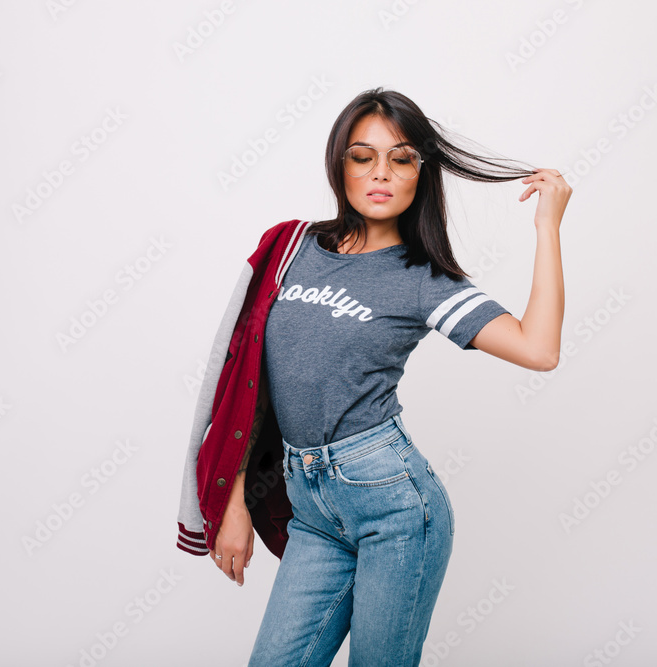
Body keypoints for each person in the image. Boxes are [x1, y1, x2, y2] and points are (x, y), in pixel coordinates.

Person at [206, 87, 569, 666]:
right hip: (310, 508)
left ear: (420, 174)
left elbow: (538, 349)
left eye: (401, 159)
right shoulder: (293, 247)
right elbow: (251, 386)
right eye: (363, 156)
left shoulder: (424, 280)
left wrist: (547, 227)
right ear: (339, 165)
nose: (381, 173)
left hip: (393, 506)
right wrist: (236, 498)